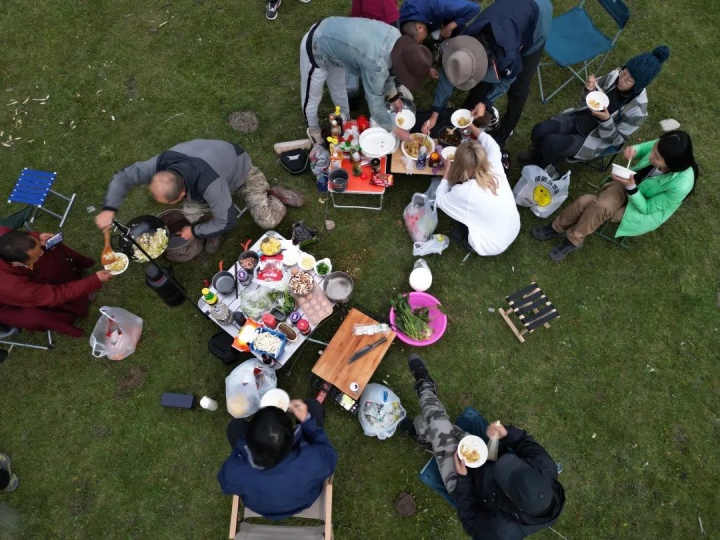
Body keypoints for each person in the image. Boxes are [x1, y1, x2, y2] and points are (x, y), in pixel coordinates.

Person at [401, 354, 565, 539]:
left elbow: (469, 517)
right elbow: (524, 443)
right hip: (485, 457)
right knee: (435, 426)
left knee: (437, 424)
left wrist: (462, 479)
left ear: (512, 501)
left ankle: (424, 386)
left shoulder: (500, 532)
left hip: (466, 486)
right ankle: (424, 432)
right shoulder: (547, 468)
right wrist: (507, 434)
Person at [531, 130, 698, 261]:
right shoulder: (664, 146)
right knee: (596, 205)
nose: (652, 154)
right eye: (655, 149)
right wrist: (633, 150)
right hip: (629, 183)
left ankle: (565, 234)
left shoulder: (681, 185)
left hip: (639, 209)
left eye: (657, 157)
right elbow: (643, 148)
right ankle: (567, 235)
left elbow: (647, 208)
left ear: (672, 163)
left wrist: (631, 187)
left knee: (589, 203)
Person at [423, 0, 552, 148]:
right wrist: (435, 114)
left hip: (538, 14)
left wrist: (487, 102)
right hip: (507, 11)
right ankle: (475, 104)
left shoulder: (507, 58)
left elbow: (507, 80)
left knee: (519, 86)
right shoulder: (459, 46)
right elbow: (448, 75)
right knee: (486, 81)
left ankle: (506, 129)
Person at [518, 46, 671, 169]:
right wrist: (589, 89)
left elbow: (617, 141)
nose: (622, 80)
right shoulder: (614, 76)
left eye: (629, 80)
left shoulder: (638, 110)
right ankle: (538, 155)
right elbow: (584, 101)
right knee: (539, 130)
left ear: (638, 86)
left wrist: (606, 121)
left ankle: (543, 166)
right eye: (624, 72)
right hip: (578, 118)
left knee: (551, 142)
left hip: (592, 138)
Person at [95, 140, 256, 255]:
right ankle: (211, 224)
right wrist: (109, 209)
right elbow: (123, 177)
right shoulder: (161, 163)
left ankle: (269, 195)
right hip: (212, 157)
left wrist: (194, 231)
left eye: (169, 202)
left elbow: (228, 221)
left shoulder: (210, 184)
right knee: (193, 211)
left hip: (238, 168)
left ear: (182, 194)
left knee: (262, 219)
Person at [300, 17, 433, 144]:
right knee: (312, 98)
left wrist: (393, 96)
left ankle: (345, 121)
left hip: (337, 46)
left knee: (339, 89)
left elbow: (391, 69)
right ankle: (313, 130)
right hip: (317, 44)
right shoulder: (376, 65)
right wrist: (396, 129)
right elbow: (375, 103)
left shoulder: (396, 38)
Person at [218, 399, 337, 519]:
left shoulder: (235, 472)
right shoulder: (312, 459)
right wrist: (306, 421)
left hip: (265, 508)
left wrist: (241, 449)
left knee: (235, 427)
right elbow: (330, 457)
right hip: (305, 500)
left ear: (250, 440)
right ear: (292, 436)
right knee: (313, 406)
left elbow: (225, 484)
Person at [0, 229, 112, 338]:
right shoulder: (10, 285)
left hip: (19, 277)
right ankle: (72, 309)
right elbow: (54, 294)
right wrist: (93, 281)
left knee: (50, 256)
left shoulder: (4, 235)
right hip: (7, 303)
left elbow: (20, 239)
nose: (42, 252)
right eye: (37, 255)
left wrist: (38, 237)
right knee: (36, 317)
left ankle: (76, 283)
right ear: (15, 263)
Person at [435, 133, 520, 256]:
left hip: (492, 244)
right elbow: (492, 144)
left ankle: (468, 240)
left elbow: (440, 201)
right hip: (512, 227)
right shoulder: (494, 165)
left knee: (459, 210)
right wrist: (471, 127)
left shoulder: (465, 192)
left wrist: (447, 174)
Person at [399, 0, 481, 42]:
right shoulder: (401, 17)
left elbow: (475, 9)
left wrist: (449, 27)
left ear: (419, 27)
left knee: (458, 28)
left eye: (420, 41)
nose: (421, 43)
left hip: (447, 4)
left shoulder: (442, 7)